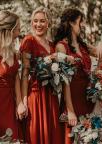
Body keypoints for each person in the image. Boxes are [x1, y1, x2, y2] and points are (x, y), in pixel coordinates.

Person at [54, 7, 102, 144]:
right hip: (73, 98)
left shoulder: (83, 45)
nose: (82, 25)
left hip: (88, 98)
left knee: (88, 137)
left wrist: (101, 44)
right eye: (80, 22)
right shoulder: (61, 46)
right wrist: (70, 110)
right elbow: (65, 82)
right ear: (71, 23)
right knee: (72, 137)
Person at [20, 7, 70, 144]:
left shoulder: (52, 45)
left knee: (53, 136)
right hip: (35, 97)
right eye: (35, 21)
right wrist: (23, 102)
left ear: (48, 23)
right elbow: (24, 74)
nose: (38, 24)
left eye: (42, 21)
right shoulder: (28, 41)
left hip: (51, 97)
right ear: (31, 23)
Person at [0, 10, 26, 139]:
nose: (19, 33)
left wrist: (19, 102)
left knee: (14, 138)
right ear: (9, 30)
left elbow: (16, 76)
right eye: (17, 29)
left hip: (11, 101)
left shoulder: (12, 50)